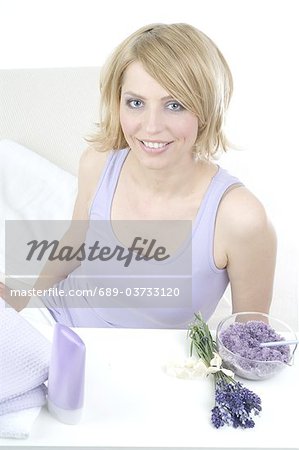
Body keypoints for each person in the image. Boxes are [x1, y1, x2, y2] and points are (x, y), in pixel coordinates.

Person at [0, 23, 276, 328]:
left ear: (207, 110)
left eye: (175, 105)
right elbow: (74, 244)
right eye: (135, 103)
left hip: (141, 368)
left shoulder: (240, 218)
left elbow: (250, 345)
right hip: (57, 326)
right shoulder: (98, 164)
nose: (152, 126)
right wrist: (29, 308)